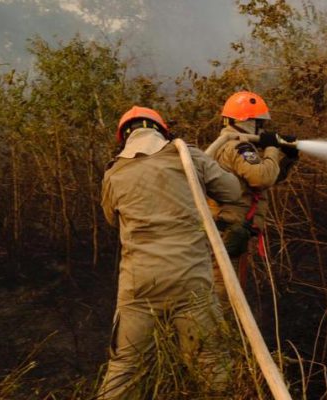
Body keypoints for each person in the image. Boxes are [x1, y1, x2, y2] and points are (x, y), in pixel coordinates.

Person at [99, 106, 244, 399]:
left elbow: (111, 218)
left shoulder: (113, 173)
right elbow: (232, 192)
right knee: (213, 367)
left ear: (123, 138)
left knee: (125, 367)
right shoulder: (187, 155)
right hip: (190, 283)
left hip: (139, 288)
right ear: (162, 130)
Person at [210, 91, 298, 303]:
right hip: (229, 232)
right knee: (224, 292)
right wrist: (271, 148)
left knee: (224, 288)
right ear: (248, 122)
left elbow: (263, 179)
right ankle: (218, 334)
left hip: (231, 231)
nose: (263, 129)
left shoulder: (228, 144)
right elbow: (261, 178)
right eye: (260, 123)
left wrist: (287, 158)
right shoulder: (239, 146)